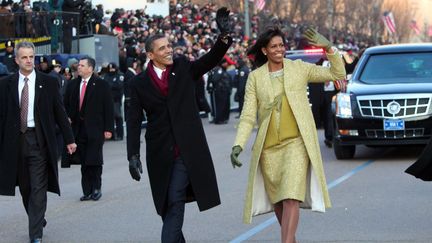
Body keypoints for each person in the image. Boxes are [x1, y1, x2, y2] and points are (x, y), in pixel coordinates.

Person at [230, 27, 346, 243]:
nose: (279, 49)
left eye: (281, 45)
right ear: (264, 50)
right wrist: (238, 144)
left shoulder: (299, 68)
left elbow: (337, 74)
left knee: (291, 197)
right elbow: (247, 116)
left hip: (297, 144)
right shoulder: (255, 78)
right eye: (273, 46)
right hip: (268, 150)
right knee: (279, 202)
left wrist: (329, 48)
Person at [126, 7, 233, 243]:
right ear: (150, 55)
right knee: (167, 207)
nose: (169, 50)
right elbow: (132, 121)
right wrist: (132, 155)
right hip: (159, 152)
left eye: (169, 45)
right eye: (162, 48)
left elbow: (209, 60)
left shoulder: (183, 67)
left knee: (175, 198)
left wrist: (223, 37)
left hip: (187, 149)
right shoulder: (138, 83)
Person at [0, 41, 77, 243]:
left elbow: (60, 112)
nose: (28, 61)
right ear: (16, 60)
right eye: (24, 57)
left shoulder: (48, 82)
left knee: (38, 187)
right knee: (25, 187)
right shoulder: (5, 84)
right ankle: (37, 217)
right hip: (15, 142)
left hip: (39, 140)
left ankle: (35, 235)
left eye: (31, 57)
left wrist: (69, 139)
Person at [63, 56, 114, 201]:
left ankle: (96, 188)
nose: (79, 67)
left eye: (82, 65)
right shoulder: (72, 85)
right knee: (84, 161)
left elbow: (108, 108)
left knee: (95, 160)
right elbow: (65, 105)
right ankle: (87, 191)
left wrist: (108, 129)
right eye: (78, 65)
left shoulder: (101, 84)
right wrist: (67, 117)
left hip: (96, 129)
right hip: (78, 130)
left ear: (90, 68)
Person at [101, 62, 124, 140]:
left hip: (116, 100)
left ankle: (120, 135)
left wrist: (110, 85)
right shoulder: (107, 75)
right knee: (109, 118)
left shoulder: (120, 75)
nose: (111, 70)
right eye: (110, 68)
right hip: (107, 100)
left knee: (118, 117)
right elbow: (104, 85)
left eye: (112, 68)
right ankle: (112, 135)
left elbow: (119, 85)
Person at [207, 59, 232, 124]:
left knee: (225, 105)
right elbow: (215, 79)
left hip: (224, 90)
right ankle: (219, 119)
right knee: (221, 106)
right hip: (221, 91)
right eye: (225, 63)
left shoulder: (222, 70)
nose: (226, 64)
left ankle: (223, 118)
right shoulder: (219, 70)